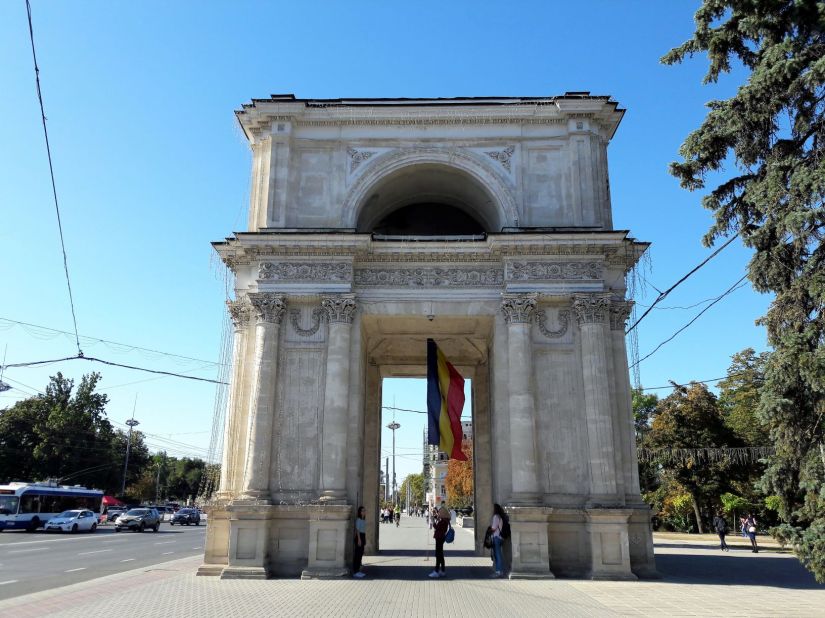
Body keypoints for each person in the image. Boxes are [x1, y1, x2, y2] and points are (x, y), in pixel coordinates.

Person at [429, 507, 450, 578]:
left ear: (443, 513)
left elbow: (437, 528)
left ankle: (436, 571)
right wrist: (437, 519)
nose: (438, 514)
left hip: (439, 538)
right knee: (441, 554)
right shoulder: (445, 520)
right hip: (441, 537)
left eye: (439, 513)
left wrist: (433, 522)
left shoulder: (443, 521)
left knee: (438, 554)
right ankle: (442, 570)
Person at [489, 503, 506, 577]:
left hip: (496, 537)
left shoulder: (496, 517)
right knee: (498, 555)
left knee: (497, 555)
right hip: (500, 537)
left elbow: (494, 528)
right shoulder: (500, 517)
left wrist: (489, 532)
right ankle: (499, 570)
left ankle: (498, 571)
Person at [353, 506, 367, 578]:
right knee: (357, 555)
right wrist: (359, 539)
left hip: (362, 536)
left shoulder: (363, 520)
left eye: (364, 511)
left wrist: (364, 539)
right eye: (362, 511)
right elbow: (357, 530)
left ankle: (358, 570)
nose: (364, 512)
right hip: (359, 537)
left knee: (361, 554)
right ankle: (355, 571)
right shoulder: (358, 520)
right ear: (360, 512)